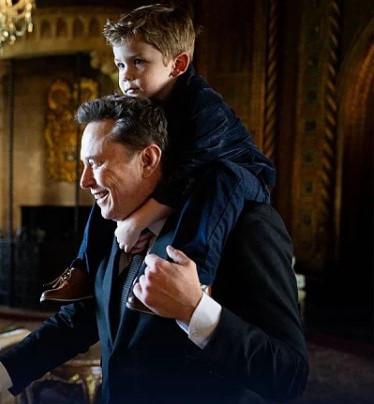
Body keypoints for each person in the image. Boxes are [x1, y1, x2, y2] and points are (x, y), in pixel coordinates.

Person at [0, 95, 308, 402]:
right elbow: (78, 322)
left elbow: (289, 375)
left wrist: (194, 311)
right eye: (82, 165)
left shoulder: (247, 226)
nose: (84, 181)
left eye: (96, 163)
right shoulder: (113, 227)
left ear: (148, 159)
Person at [41, 3, 276, 304]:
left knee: (220, 178)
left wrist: (136, 222)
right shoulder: (147, 104)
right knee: (105, 182)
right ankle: (83, 270)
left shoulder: (204, 107)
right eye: (120, 65)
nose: (126, 76)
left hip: (241, 180)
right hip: (190, 175)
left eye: (138, 62)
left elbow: (187, 170)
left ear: (178, 64)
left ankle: (188, 277)